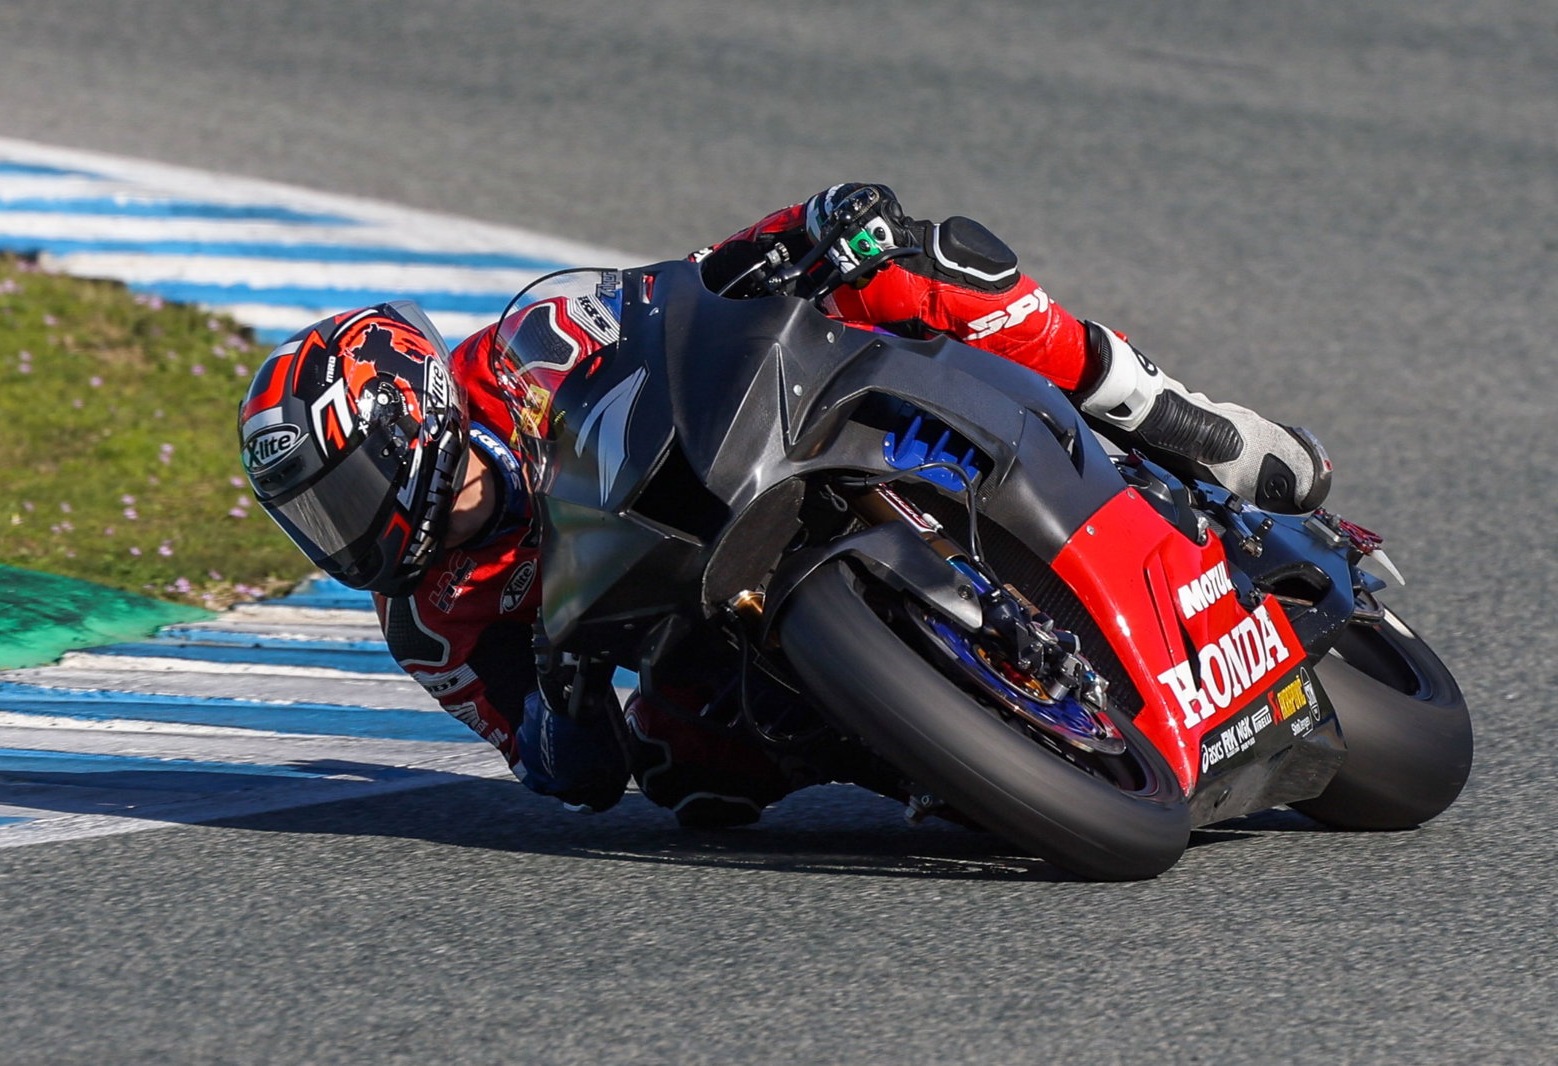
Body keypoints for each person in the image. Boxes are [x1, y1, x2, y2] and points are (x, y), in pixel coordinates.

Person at [238, 182, 1332, 828]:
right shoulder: (429, 618)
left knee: (907, 261)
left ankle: (1174, 418)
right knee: (682, 768)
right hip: (697, 606)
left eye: (344, 494)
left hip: (758, 440)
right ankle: (941, 751)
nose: (348, 531)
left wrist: (808, 224)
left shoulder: (518, 355)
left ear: (410, 421)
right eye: (316, 520)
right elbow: (560, 776)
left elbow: (683, 292)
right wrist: (566, 692)